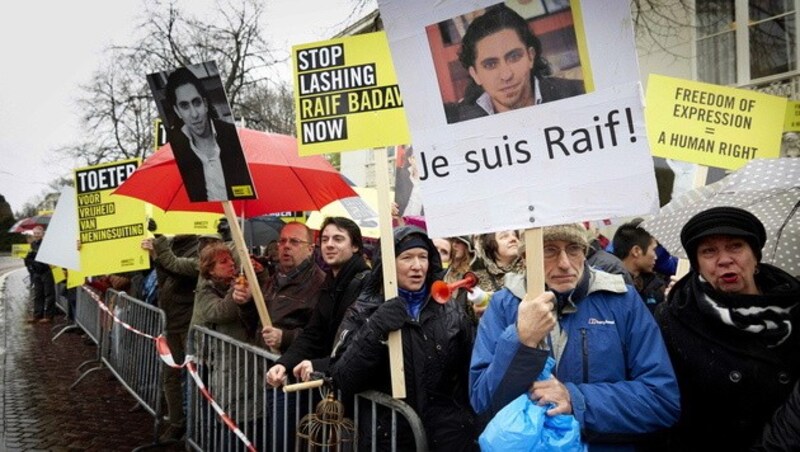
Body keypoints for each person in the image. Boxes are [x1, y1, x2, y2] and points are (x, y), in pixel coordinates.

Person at [470, 223, 680, 450]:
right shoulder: (505, 305)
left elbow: (662, 399)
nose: (564, 264)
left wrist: (576, 399)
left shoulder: (622, 301)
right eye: (549, 250)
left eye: (573, 249)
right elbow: (483, 403)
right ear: (526, 257)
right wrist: (522, 339)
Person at [653, 207, 800, 451]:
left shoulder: (794, 306)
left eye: (735, 246)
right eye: (709, 251)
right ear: (697, 265)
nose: (724, 260)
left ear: (755, 256)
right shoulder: (674, 318)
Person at [330, 226, 479, 451]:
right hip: (390, 439)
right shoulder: (364, 311)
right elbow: (342, 377)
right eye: (406, 257)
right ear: (388, 264)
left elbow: (472, 374)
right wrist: (376, 328)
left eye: (423, 257)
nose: (417, 266)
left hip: (448, 438)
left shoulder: (451, 312)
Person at [265, 217, 371, 387]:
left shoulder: (367, 284)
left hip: (358, 390)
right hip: (332, 384)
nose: (329, 245)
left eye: (338, 239)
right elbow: (314, 333)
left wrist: (321, 365)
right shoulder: (330, 283)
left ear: (355, 246)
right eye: (324, 239)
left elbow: (361, 345)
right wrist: (283, 364)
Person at [453, 4, 585, 123]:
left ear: (531, 57)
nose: (506, 75)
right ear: (475, 74)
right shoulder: (457, 122)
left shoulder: (580, 94)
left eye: (514, 57)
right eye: (490, 65)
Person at [163, 67, 254, 202]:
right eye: (184, 106)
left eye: (196, 102)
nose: (194, 114)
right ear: (177, 111)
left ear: (205, 104)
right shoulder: (176, 152)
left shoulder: (233, 138)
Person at [612, 220, 667, 313]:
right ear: (636, 251)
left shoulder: (656, 286)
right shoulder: (610, 287)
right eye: (653, 249)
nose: (656, 257)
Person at [473, 230, 523, 295]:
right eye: (504, 236)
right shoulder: (478, 279)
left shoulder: (529, 268)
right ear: (489, 244)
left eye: (515, 235)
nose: (513, 239)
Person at [24, 225, 56, 323]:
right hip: (36, 272)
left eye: (38, 233)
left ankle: (49, 317)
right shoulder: (32, 244)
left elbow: (49, 257)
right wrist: (28, 261)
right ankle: (37, 315)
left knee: (49, 294)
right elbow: (29, 258)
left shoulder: (47, 244)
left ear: (43, 234)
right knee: (38, 295)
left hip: (46, 271)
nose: (36, 235)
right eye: (35, 234)